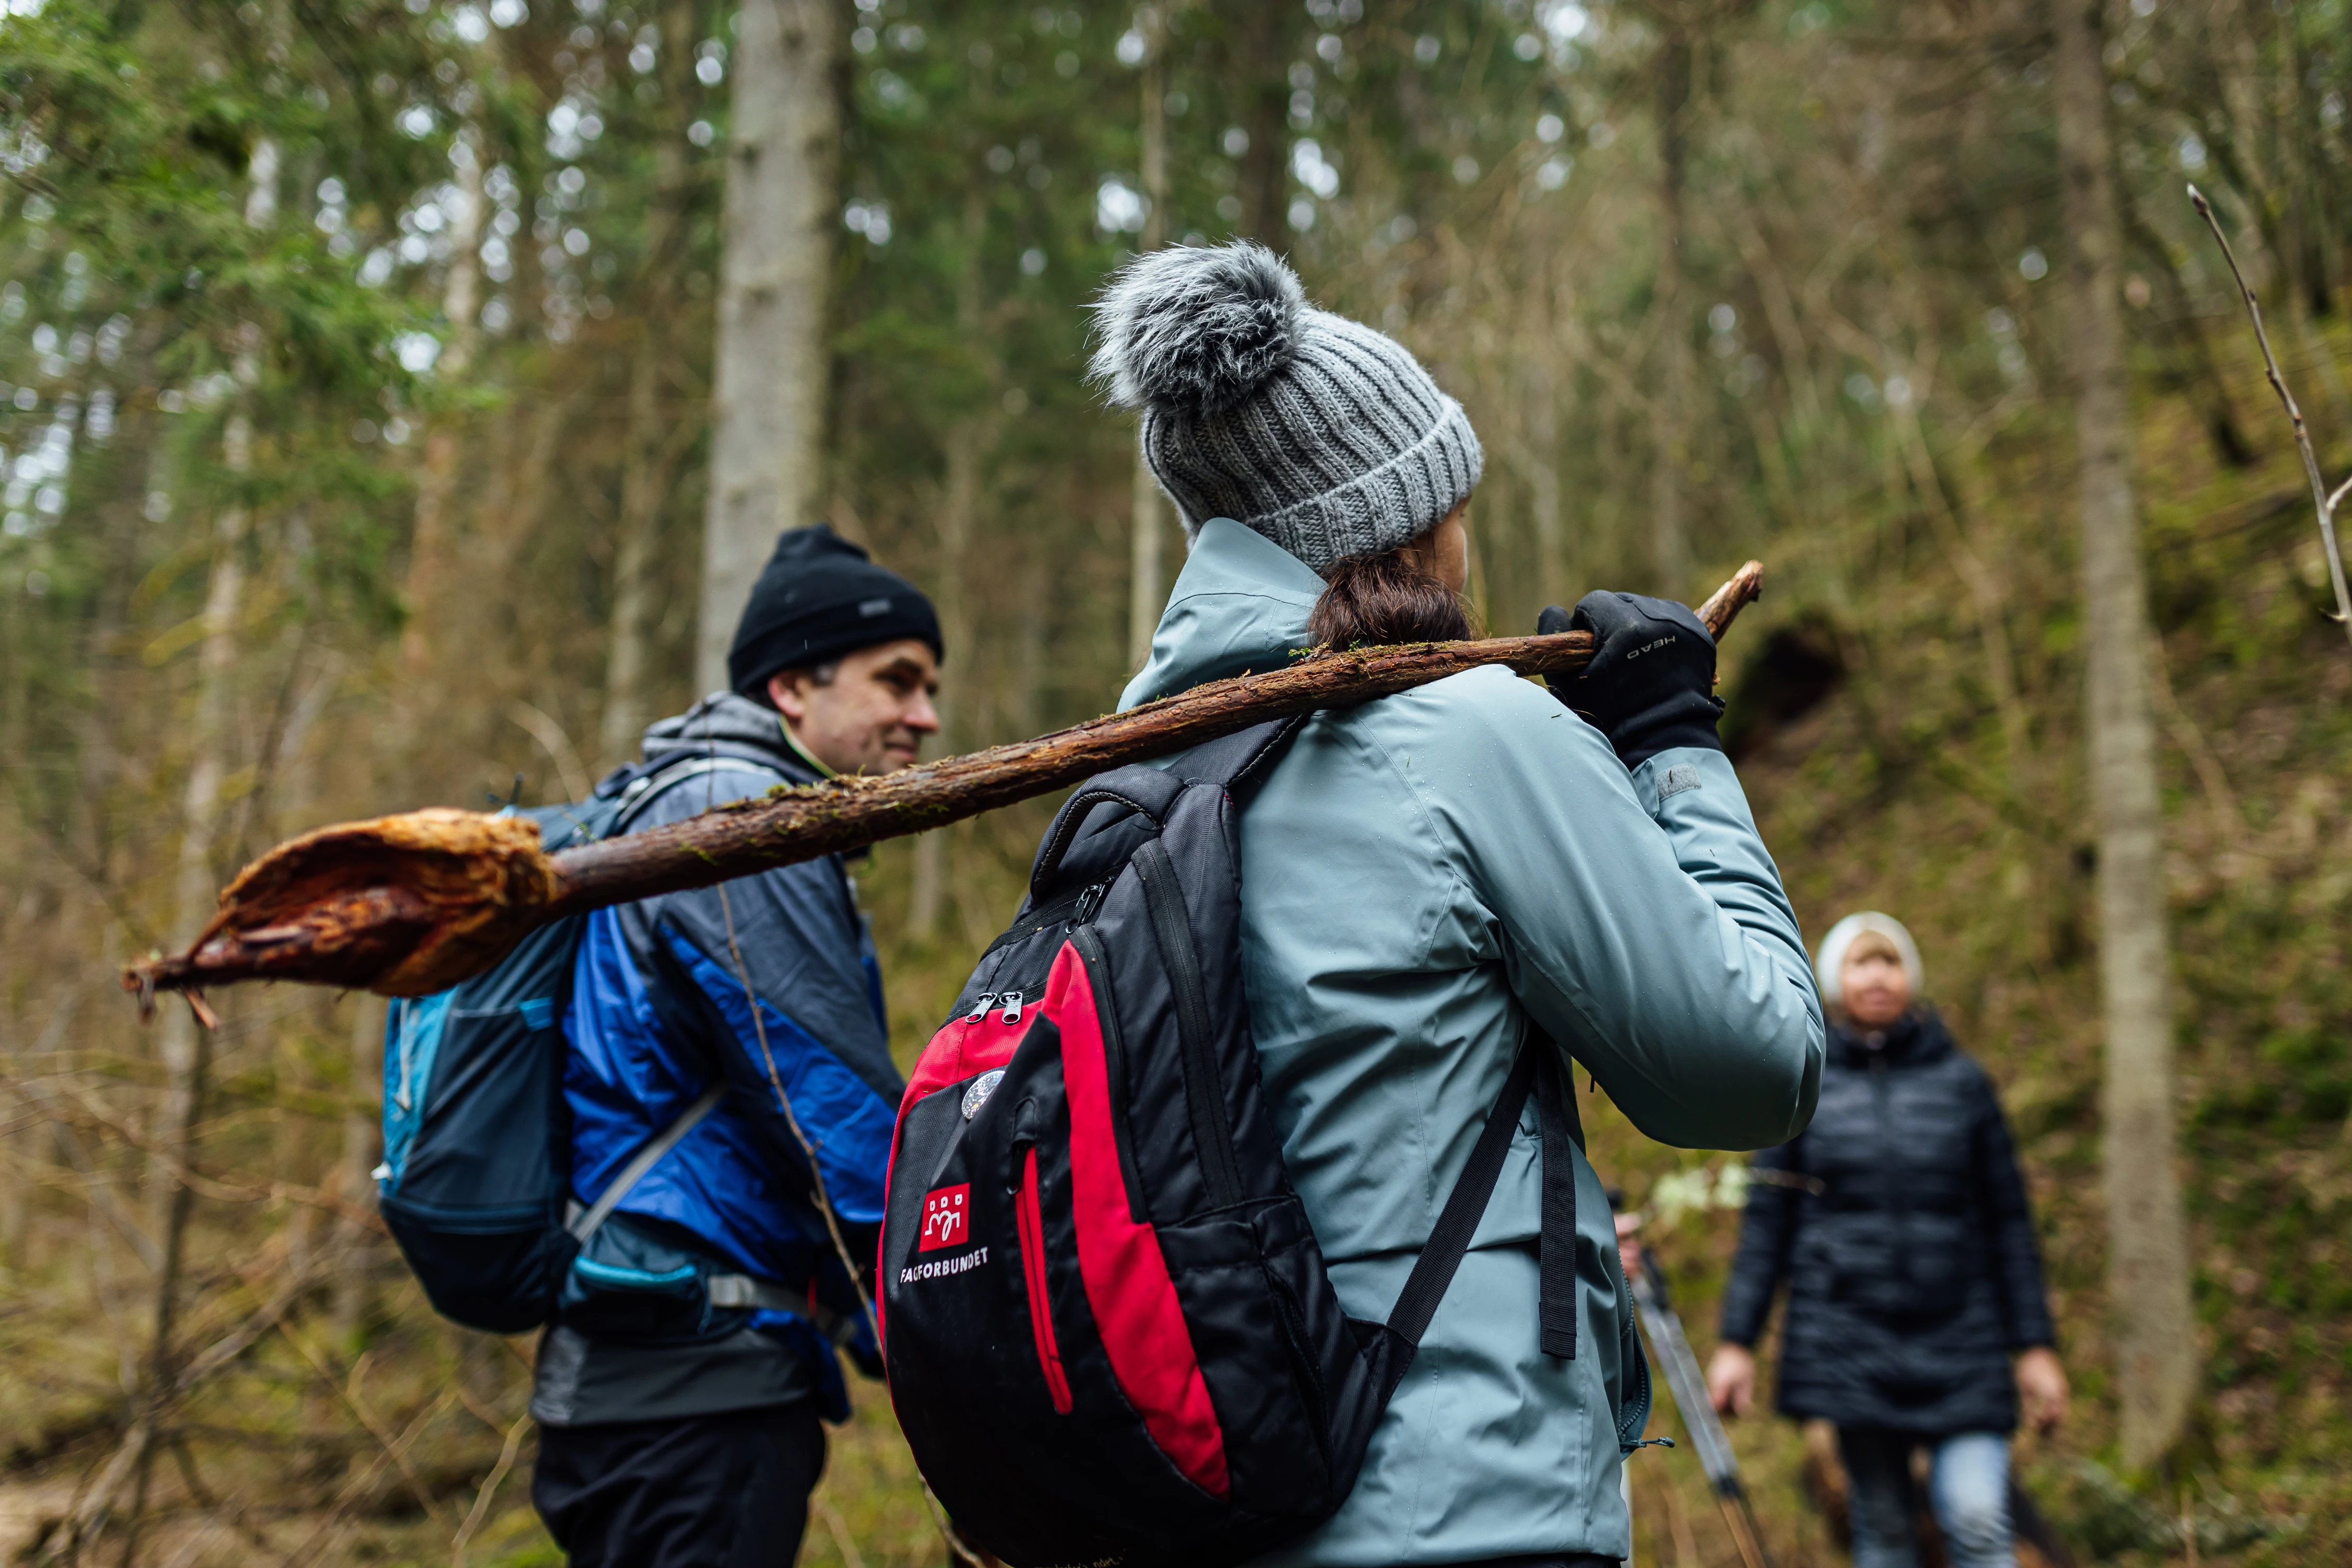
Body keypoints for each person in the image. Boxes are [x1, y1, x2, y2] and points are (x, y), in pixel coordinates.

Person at [1094, 241, 1824, 1567]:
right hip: (1458, 1505)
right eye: (1455, 496)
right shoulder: (1466, 733)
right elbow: (1750, 1068)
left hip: (1196, 1504)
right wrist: (1670, 745)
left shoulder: (1127, 780)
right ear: (1398, 522)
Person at [527, 524, 941, 1567]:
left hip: (662, 1379)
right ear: (793, 687)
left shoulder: (698, 813)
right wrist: (950, 1304)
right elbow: (827, 1109)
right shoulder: (731, 821)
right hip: (692, 1394)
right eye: (897, 682)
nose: (924, 717)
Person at [1706, 912, 2069, 1568]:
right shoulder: (1799, 1087)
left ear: (1912, 978)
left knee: (1979, 1518)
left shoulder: (1965, 1086)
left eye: (1891, 962)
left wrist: (2036, 1348)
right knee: (1885, 1530)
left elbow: (2008, 1223)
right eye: (1861, 963)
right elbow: (1769, 1224)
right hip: (1851, 1341)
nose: (1878, 976)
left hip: (1964, 1338)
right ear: (1834, 981)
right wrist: (1737, 1343)